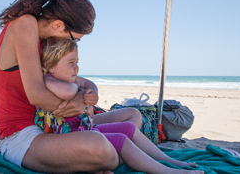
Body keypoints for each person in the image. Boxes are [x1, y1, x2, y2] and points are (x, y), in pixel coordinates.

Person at [0, 0, 141, 174]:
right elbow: (36, 94)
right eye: (74, 39)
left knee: (133, 115)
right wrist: (84, 108)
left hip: (51, 122)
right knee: (102, 149)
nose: (73, 45)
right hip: (21, 136)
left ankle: (101, 157)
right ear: (58, 25)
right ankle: (109, 157)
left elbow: (77, 83)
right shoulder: (25, 24)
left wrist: (82, 99)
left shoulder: (42, 40)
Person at [35, 36, 204, 174]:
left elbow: (88, 83)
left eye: (77, 62)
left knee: (128, 129)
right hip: (68, 139)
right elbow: (69, 92)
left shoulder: (66, 78)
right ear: (50, 66)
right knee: (119, 141)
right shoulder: (48, 81)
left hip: (83, 130)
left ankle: (169, 161)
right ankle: (166, 172)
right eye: (71, 63)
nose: (76, 68)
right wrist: (80, 91)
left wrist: (92, 93)